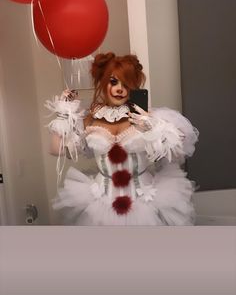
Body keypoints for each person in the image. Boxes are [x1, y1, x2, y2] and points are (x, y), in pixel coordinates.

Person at [45, 52, 199, 225]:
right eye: (113, 82)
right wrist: (64, 112)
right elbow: (55, 148)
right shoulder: (90, 119)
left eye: (126, 84)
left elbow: (180, 147)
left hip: (144, 201)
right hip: (101, 202)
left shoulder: (146, 117)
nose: (119, 88)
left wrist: (152, 126)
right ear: (103, 83)